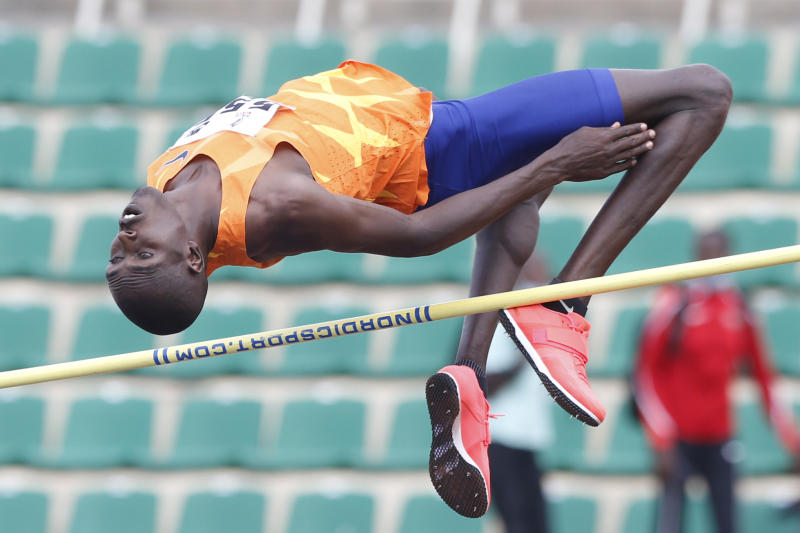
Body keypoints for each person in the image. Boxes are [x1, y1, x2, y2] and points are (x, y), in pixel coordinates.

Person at [105, 59, 733, 517]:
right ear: (193, 256)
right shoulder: (274, 206)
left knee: (520, 194)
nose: (127, 234)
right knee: (704, 93)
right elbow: (423, 236)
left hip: (420, 129)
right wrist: (562, 162)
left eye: (120, 251)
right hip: (444, 143)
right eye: (143, 251)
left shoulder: (168, 176)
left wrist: (541, 170)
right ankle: (566, 301)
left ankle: (470, 374)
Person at [633, 229, 800, 533]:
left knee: (728, 523)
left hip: (721, 436)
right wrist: (661, 440)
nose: (713, 261)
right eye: (706, 254)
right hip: (677, 440)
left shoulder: (740, 307)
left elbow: (765, 379)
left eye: (719, 254)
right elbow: (645, 373)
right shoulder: (674, 302)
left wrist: (793, 442)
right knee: (669, 525)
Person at [486, 253, 554, 533]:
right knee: (519, 523)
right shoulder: (499, 314)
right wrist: (526, 352)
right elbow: (482, 381)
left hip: (527, 437)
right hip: (501, 435)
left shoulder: (538, 314)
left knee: (536, 524)